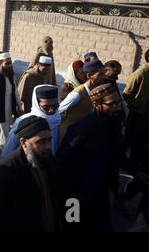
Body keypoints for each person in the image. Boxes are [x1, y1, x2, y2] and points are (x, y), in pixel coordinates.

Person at [57, 83, 147, 231]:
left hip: (100, 192)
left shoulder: (112, 123)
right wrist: (67, 199)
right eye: (112, 104)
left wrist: (135, 170)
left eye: (118, 103)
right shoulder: (81, 129)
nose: (118, 107)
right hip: (75, 196)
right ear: (97, 105)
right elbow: (63, 163)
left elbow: (116, 153)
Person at [0, 116, 63, 232]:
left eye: (49, 140)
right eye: (41, 142)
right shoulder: (6, 171)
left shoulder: (50, 162)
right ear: (23, 143)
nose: (48, 146)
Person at [2, 85, 61, 159]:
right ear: (37, 104)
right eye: (46, 108)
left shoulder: (59, 120)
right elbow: (8, 150)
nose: (51, 111)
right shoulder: (24, 122)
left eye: (55, 106)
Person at [58, 59, 107, 142]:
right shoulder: (77, 93)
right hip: (68, 137)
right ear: (89, 75)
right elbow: (59, 112)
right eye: (100, 74)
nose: (103, 77)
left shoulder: (93, 92)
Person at [0, 52, 21, 147]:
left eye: (10, 63)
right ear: (0, 64)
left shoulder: (11, 77)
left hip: (9, 114)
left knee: (7, 139)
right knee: (3, 142)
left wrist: (19, 105)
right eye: (7, 63)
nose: (10, 66)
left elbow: (15, 93)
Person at [123, 49, 149, 166]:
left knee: (141, 144)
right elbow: (127, 94)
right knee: (130, 141)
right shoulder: (141, 73)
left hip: (146, 116)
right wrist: (136, 106)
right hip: (138, 114)